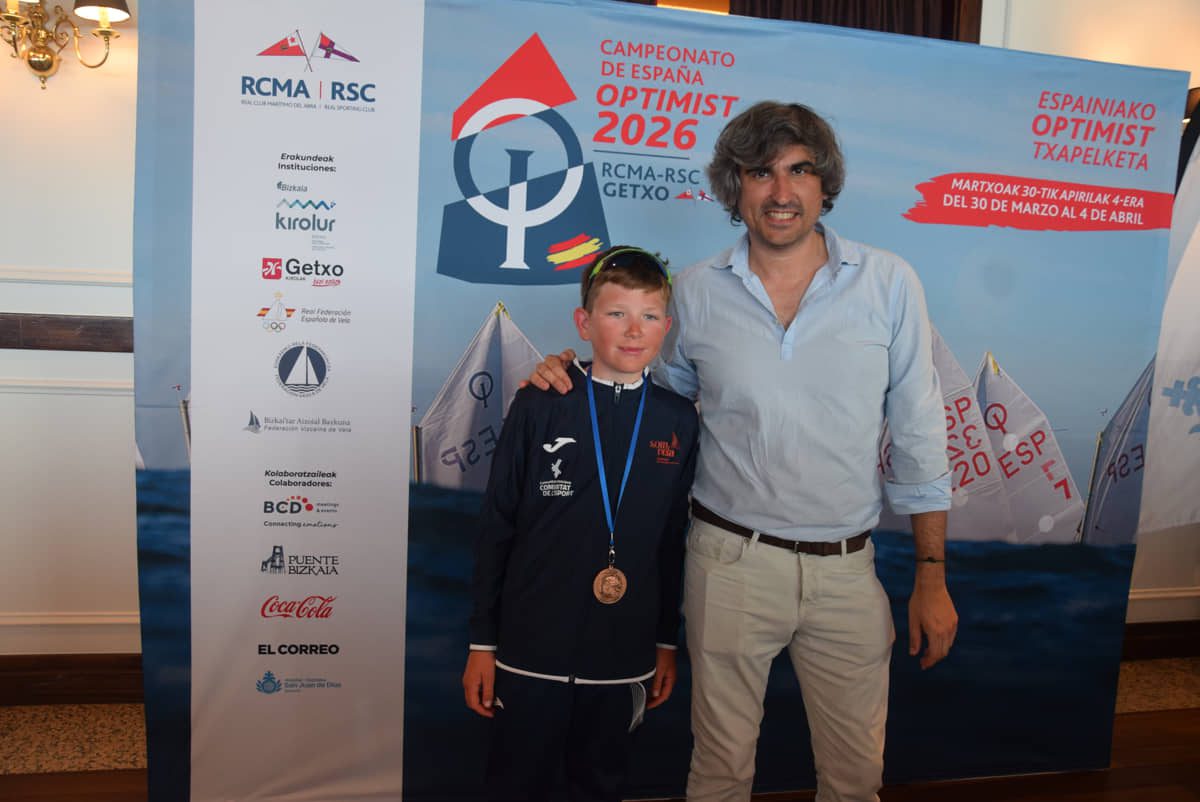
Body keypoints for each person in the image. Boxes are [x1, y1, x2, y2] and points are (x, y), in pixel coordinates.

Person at [527, 101, 958, 802]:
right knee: (720, 773)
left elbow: (918, 431)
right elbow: (646, 401)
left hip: (848, 571)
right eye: (761, 172)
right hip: (728, 564)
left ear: (825, 184)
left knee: (856, 780)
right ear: (735, 186)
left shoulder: (889, 283)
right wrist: (567, 376)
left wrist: (932, 577)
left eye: (800, 171)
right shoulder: (696, 291)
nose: (781, 192)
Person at [463, 246, 700, 802]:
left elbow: (673, 541)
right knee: (515, 785)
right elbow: (497, 526)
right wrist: (482, 643)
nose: (634, 330)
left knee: (601, 785)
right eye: (617, 313)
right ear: (584, 323)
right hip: (530, 650)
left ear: (666, 327)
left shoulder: (678, 419)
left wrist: (665, 640)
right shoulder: (541, 402)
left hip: (623, 653)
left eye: (649, 316)